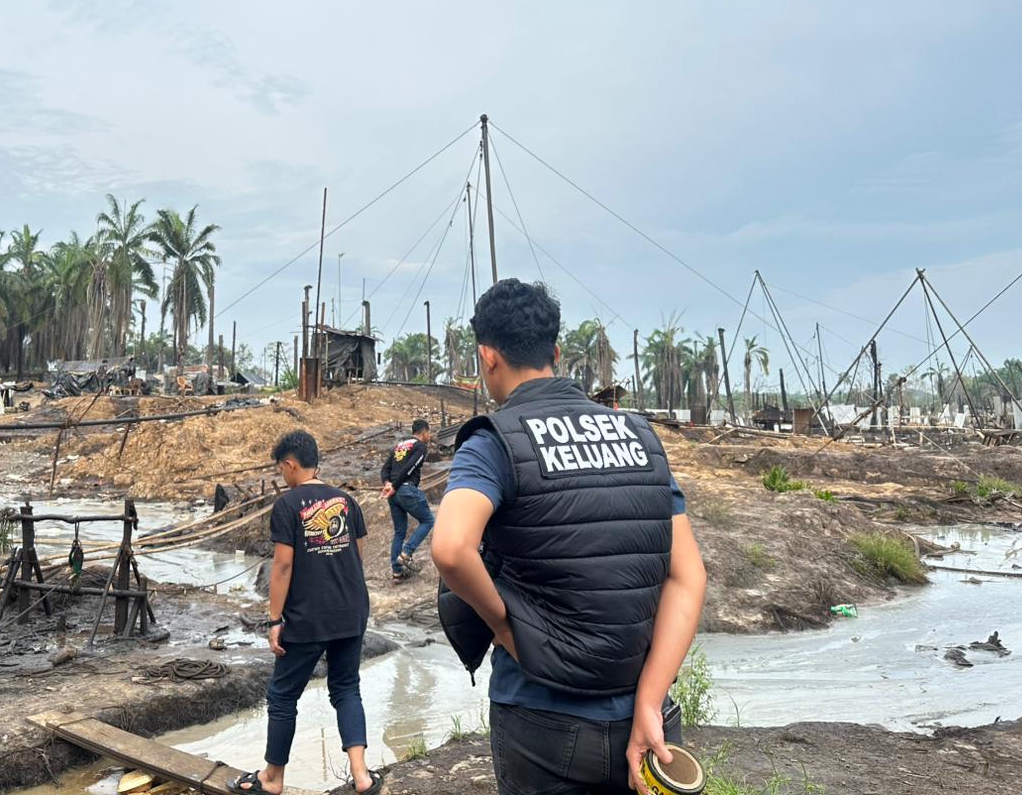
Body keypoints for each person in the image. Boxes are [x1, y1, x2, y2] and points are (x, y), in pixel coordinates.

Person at [431, 279, 706, 795]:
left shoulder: (494, 440)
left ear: (488, 357)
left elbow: (450, 548)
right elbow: (687, 576)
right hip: (645, 716)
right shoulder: (640, 436)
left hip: (542, 719)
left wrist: (505, 627)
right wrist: (649, 700)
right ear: (556, 352)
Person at [229, 430, 382, 795]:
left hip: (308, 615)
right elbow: (357, 554)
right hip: (351, 610)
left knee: (282, 695)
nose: (283, 475)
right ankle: (362, 776)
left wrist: (274, 619)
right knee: (346, 688)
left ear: (290, 464)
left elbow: (282, 567)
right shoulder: (346, 501)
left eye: (281, 469)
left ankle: (272, 778)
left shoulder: (288, 505)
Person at [380, 418, 436, 582]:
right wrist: (396, 486)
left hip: (393, 493)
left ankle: (397, 573)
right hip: (405, 489)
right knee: (428, 520)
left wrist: (388, 484)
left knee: (399, 531)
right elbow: (410, 467)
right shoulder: (420, 447)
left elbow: (385, 469)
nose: (430, 436)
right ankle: (406, 553)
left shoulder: (399, 446)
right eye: (429, 433)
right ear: (425, 432)